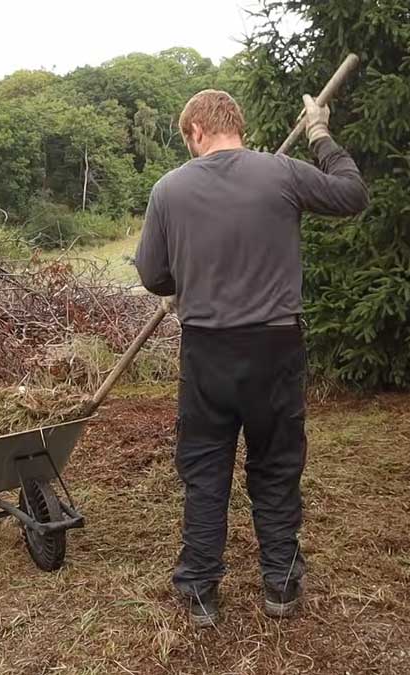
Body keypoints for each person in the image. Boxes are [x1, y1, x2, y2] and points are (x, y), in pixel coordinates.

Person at [134, 89, 368, 627]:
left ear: (195, 131)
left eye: (186, 139)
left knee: (205, 467)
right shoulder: (282, 173)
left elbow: (153, 277)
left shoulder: (169, 189)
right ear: (235, 125)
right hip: (276, 347)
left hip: (207, 350)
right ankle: (281, 585)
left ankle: (198, 590)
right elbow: (352, 194)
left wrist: (182, 279)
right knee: (277, 465)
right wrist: (320, 134)